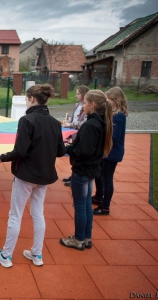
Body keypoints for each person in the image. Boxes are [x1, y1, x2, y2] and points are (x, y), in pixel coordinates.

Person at [0, 84, 65, 268]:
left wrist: (2, 157)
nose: (25, 102)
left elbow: (20, 151)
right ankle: (37, 254)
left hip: (26, 175)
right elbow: (61, 151)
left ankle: (6, 256)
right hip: (44, 176)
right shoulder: (55, 123)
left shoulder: (27, 120)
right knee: (38, 213)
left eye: (25, 99)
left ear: (32, 99)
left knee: (15, 215)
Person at [60, 90, 113, 250]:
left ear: (93, 105)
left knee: (80, 205)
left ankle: (79, 239)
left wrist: (68, 150)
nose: (83, 106)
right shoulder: (101, 123)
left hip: (83, 170)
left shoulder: (91, 125)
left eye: (85, 103)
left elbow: (84, 150)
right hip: (91, 169)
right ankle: (86, 237)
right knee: (86, 205)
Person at [92, 87, 128, 215]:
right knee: (100, 175)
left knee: (107, 178)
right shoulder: (113, 114)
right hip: (106, 151)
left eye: (109, 99)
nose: (106, 101)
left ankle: (105, 206)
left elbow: (115, 138)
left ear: (115, 100)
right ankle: (99, 196)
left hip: (111, 153)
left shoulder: (119, 116)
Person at [62, 85, 89, 187]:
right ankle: (72, 175)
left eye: (78, 94)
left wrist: (71, 124)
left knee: (77, 157)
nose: (76, 95)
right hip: (73, 134)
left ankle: (75, 177)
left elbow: (83, 123)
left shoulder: (86, 107)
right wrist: (68, 121)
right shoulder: (77, 105)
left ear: (84, 94)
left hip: (80, 135)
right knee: (72, 156)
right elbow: (74, 119)